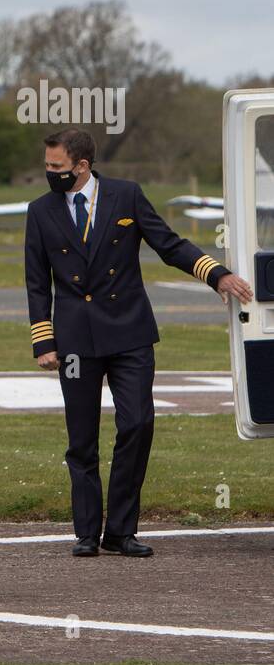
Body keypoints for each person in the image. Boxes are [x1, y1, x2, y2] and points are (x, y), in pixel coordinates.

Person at [25, 128, 252, 558]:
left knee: (137, 425)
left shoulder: (126, 196)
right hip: (74, 342)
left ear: (82, 166)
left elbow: (168, 244)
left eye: (56, 167)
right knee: (82, 438)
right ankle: (88, 533)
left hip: (129, 334)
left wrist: (216, 274)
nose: (50, 173)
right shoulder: (40, 211)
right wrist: (44, 340)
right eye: (47, 166)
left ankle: (121, 531)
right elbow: (37, 282)